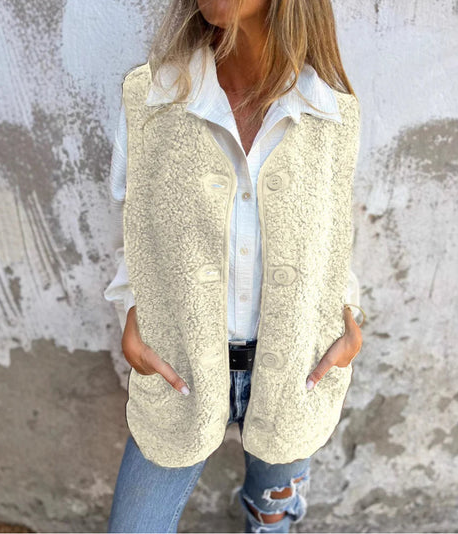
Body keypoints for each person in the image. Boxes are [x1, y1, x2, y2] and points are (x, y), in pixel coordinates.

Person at [104, 0, 364, 532]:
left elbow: (333, 237)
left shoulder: (331, 114)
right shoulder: (153, 98)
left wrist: (347, 324)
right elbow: (131, 227)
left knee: (271, 520)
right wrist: (130, 314)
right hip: (178, 370)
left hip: (297, 374)